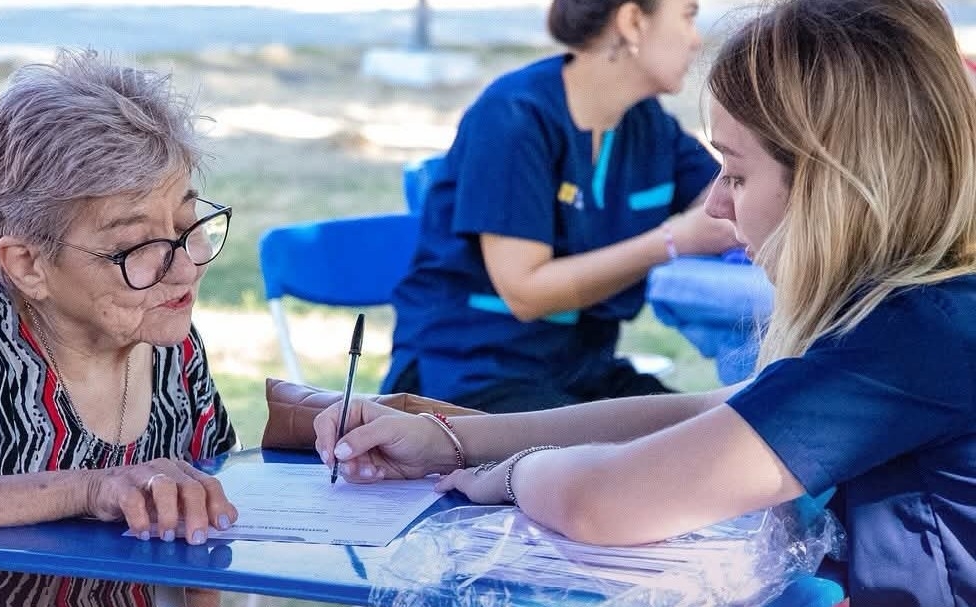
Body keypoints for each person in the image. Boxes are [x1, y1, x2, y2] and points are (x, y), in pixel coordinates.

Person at [317, 0, 976, 603]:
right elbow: (721, 410)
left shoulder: (912, 338)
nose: (719, 204)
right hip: (485, 367)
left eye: (738, 174)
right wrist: (456, 440)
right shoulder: (923, 319)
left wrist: (514, 471)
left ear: (833, 184)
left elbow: (605, 498)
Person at [0, 50, 240, 607]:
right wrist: (86, 489)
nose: (187, 266)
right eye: (135, 246)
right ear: (29, 266)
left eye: (186, 223)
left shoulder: (165, 335)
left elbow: (202, 529)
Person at [382, 0, 740, 413]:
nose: (696, 41)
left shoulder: (648, 125)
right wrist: (675, 240)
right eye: (687, 16)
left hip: (579, 370)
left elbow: (732, 199)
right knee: (640, 460)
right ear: (633, 21)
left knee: (717, 436)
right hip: (470, 374)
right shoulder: (513, 117)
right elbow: (525, 292)